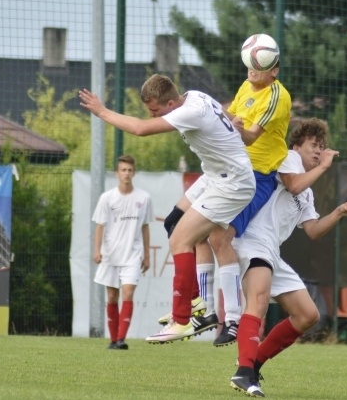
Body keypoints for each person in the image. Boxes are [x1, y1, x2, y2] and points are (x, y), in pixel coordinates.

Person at [79, 74, 255, 343]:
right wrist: (231, 126)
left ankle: (183, 320)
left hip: (232, 181)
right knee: (173, 222)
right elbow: (222, 116)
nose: (152, 116)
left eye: (155, 111)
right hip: (216, 175)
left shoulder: (189, 111)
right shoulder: (195, 95)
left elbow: (139, 129)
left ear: (171, 102)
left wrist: (101, 111)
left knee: (180, 241)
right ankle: (197, 302)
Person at [231, 118, 347, 397]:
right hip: (252, 241)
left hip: (270, 251)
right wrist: (325, 166)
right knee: (258, 302)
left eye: (322, 147)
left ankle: (253, 364)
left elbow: (313, 231)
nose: (318, 151)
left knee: (307, 315)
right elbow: (292, 185)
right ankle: (243, 372)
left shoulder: (308, 191)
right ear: (296, 146)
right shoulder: (287, 159)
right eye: (313, 145)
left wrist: (338, 212)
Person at [204, 57, 292, 347]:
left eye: (260, 65)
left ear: (274, 71)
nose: (251, 70)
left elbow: (251, 136)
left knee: (219, 237)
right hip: (232, 169)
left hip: (256, 178)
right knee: (189, 230)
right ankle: (203, 310)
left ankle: (230, 319)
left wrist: (232, 126)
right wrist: (222, 117)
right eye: (249, 64)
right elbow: (229, 115)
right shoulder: (246, 86)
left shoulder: (277, 96)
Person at [92, 155, 154, 350]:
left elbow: (145, 227)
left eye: (129, 170)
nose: (126, 173)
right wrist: (97, 250)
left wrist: (147, 254)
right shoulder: (107, 198)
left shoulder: (144, 198)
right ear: (117, 173)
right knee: (112, 296)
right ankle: (113, 339)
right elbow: (100, 226)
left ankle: (120, 339)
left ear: (134, 173)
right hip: (110, 254)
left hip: (132, 255)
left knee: (128, 292)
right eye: (123, 170)